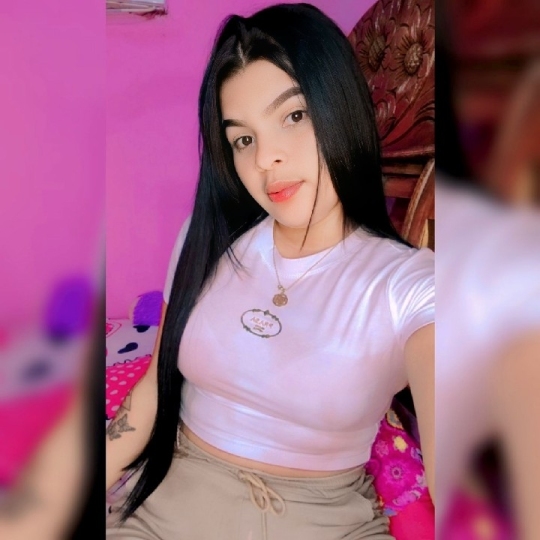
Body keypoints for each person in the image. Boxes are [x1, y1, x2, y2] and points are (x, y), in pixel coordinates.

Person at [105, 3, 434, 539]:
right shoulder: (206, 239)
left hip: (324, 521)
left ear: (340, 105)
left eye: (294, 116)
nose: (264, 159)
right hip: (171, 504)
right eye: (243, 139)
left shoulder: (410, 284)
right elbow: (152, 392)